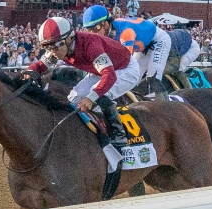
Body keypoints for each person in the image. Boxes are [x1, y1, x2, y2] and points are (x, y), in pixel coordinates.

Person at [27, 16, 138, 147]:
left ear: (68, 39)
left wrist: (91, 98)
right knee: (73, 100)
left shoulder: (91, 45)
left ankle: (118, 133)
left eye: (55, 47)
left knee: (98, 94)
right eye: (48, 47)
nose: (53, 52)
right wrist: (28, 73)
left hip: (125, 69)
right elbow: (40, 66)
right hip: (102, 71)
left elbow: (110, 76)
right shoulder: (59, 46)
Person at [81, 5, 171, 93]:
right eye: (89, 30)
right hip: (142, 46)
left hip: (158, 41)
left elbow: (124, 61)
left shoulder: (125, 33)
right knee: (133, 79)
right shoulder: (109, 32)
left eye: (96, 28)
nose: (93, 34)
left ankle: (165, 105)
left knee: (153, 78)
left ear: (106, 24)